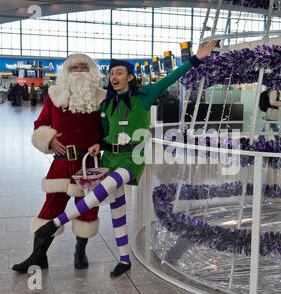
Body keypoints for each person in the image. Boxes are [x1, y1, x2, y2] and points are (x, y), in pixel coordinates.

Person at [34, 40, 218, 278]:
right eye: (111, 73)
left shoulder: (145, 95)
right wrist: (96, 146)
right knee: (117, 210)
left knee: (102, 190)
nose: (113, 77)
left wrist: (196, 59)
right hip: (110, 158)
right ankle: (124, 259)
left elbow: (171, 78)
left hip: (132, 158)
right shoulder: (108, 103)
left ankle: (56, 222)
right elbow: (103, 135)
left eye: (119, 73)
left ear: (130, 77)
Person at [12, 54, 107, 273]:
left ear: (91, 71)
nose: (80, 71)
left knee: (88, 209)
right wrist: (49, 138)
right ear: (67, 72)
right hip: (61, 163)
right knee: (51, 206)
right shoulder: (54, 96)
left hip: (88, 163)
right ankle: (38, 256)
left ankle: (80, 251)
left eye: (84, 67)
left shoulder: (102, 97)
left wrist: (100, 143)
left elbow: (110, 128)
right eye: (75, 68)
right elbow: (40, 123)